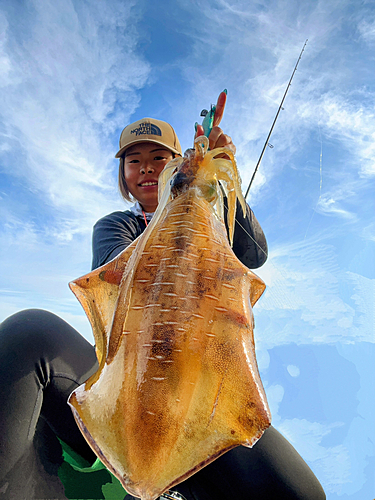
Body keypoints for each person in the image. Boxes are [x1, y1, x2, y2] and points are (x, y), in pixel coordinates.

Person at [0, 103, 326, 499]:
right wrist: (182, 200)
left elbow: (254, 253)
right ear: (123, 174)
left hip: (201, 391)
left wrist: (217, 182)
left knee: (300, 493)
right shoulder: (116, 226)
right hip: (123, 379)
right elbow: (118, 274)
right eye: (134, 161)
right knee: (31, 332)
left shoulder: (214, 220)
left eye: (159, 159)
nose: (148, 168)